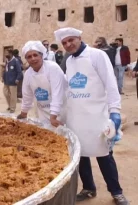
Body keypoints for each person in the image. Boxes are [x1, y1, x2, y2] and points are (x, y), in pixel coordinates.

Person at [55, 27, 129, 205]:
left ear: (79, 38)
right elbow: (68, 89)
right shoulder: (69, 61)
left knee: (104, 154)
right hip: (76, 117)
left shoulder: (97, 55)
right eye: (64, 43)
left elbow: (111, 85)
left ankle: (116, 192)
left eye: (71, 40)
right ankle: (89, 188)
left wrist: (115, 111)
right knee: (81, 155)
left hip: (96, 115)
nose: (68, 44)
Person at [17, 41, 66, 126]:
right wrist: (23, 114)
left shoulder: (52, 68)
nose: (33, 59)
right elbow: (27, 96)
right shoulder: (28, 74)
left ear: (41, 55)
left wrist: (53, 116)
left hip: (60, 111)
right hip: (43, 112)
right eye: (29, 57)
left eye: (35, 55)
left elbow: (57, 93)